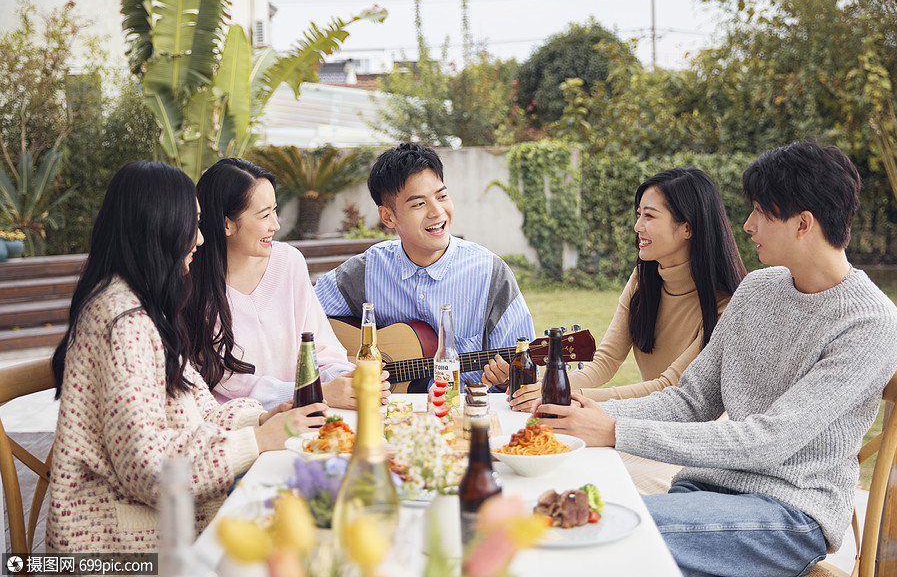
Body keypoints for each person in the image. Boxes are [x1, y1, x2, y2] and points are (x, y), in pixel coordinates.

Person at [538, 142, 897, 577]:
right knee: (562, 508)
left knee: (591, 532)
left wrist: (616, 430)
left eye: (762, 212)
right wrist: (586, 414)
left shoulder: (871, 321)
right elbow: (691, 400)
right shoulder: (757, 291)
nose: (747, 226)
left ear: (803, 223)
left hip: (789, 515)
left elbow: (770, 440)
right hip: (704, 489)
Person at [47, 161, 326, 553]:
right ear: (157, 228)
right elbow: (149, 470)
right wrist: (258, 440)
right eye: (191, 225)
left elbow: (197, 411)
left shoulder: (142, 306)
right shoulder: (123, 322)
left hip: (167, 525)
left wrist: (262, 418)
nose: (199, 238)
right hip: (120, 547)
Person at [487, 167, 747, 493]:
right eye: (639, 215)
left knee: (594, 478)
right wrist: (547, 389)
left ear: (687, 228)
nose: (638, 227)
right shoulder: (644, 279)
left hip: (688, 440)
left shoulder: (726, 306)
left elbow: (671, 389)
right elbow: (604, 363)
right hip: (640, 422)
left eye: (649, 216)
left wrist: (565, 399)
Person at [314, 143, 535, 392]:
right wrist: (341, 364)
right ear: (388, 217)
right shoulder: (364, 272)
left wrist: (508, 380)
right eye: (419, 204)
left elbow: (526, 372)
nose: (437, 211)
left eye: (441, 196)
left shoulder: (491, 274)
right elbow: (298, 319)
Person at [185, 158, 388, 411]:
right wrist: (317, 393)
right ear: (226, 223)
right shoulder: (190, 285)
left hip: (310, 421)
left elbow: (322, 350)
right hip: (244, 429)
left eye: (274, 210)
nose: (276, 224)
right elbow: (228, 385)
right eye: (264, 215)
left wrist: (348, 379)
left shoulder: (288, 262)